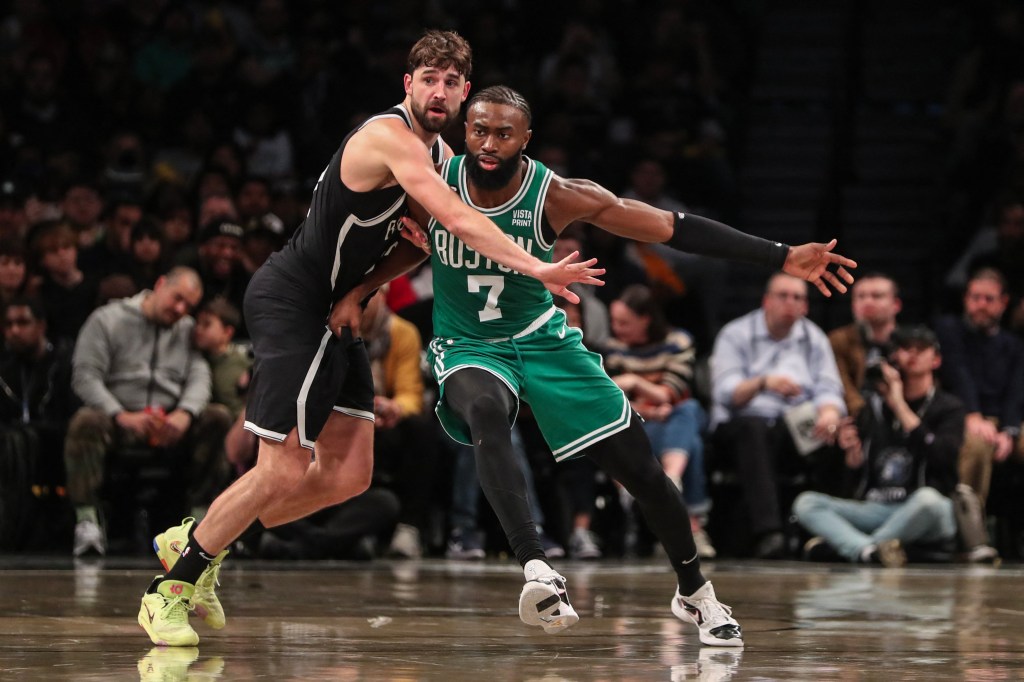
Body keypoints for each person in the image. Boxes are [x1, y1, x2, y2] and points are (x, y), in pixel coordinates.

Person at [335, 85, 856, 646]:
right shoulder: (429, 180)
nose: (488, 143)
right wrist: (359, 292)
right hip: (468, 345)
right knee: (486, 410)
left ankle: (695, 593)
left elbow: (674, 227)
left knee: (643, 473)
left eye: (503, 133)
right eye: (479, 129)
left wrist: (781, 256)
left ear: (525, 140)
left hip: (542, 340)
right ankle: (536, 567)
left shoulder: (557, 194)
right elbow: (401, 240)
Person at [138, 31, 603, 647]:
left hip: (336, 309)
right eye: (428, 79)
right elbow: (456, 218)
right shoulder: (389, 138)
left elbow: (417, 244)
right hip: (294, 300)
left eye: (451, 82)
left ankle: (199, 534)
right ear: (407, 85)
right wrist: (537, 266)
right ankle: (170, 588)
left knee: (350, 475)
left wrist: (362, 292)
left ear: (465, 93)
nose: (439, 92)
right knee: (281, 468)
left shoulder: (438, 156)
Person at [66, 267, 226, 557]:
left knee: (216, 416)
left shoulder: (188, 330)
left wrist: (185, 414)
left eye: (188, 306)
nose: (180, 309)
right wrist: (120, 414)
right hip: (120, 421)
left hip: (169, 423)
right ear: (160, 284)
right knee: (86, 421)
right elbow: (85, 376)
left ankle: (202, 525)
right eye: (177, 298)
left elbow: (200, 376)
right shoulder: (107, 320)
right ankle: (87, 520)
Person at [793, 326, 963, 567]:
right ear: (894, 357)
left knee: (929, 501)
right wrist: (853, 458)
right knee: (807, 503)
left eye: (920, 349)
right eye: (905, 349)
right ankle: (870, 552)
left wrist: (899, 405)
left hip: (924, 511)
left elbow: (942, 456)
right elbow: (856, 476)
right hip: (877, 508)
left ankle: (854, 548)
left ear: (935, 359)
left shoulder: (948, 407)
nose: (911, 355)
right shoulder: (872, 408)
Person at [709, 272, 847, 559]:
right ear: (766, 301)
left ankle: (828, 536)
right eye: (783, 296)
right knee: (754, 429)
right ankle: (769, 533)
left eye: (798, 297)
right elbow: (725, 392)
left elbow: (829, 388)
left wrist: (829, 414)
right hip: (740, 425)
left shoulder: (814, 338)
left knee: (841, 434)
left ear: (805, 306)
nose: (790, 303)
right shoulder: (736, 334)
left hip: (793, 425)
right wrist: (763, 382)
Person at [603, 283, 716, 559]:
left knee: (687, 410)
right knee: (693, 445)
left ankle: (672, 479)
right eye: (614, 321)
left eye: (624, 322)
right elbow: (609, 399)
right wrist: (649, 406)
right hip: (642, 421)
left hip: (676, 416)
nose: (616, 328)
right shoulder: (613, 349)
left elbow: (672, 393)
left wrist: (634, 382)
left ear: (646, 319)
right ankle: (691, 526)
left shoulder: (678, 342)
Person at [934, 267, 1024, 506]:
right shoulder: (949, 329)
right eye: (975, 298)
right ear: (965, 299)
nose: (981, 305)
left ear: (1003, 302)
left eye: (989, 299)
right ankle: (968, 531)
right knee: (976, 446)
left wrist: (1010, 430)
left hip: (1004, 419)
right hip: (961, 415)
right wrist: (972, 414)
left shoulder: (1013, 344)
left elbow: (1016, 390)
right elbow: (958, 373)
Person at [828, 273, 902, 419]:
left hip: (901, 414)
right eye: (860, 297)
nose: (867, 302)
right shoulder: (839, 340)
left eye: (877, 296)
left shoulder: (908, 344)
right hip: (855, 416)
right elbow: (841, 387)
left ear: (896, 305)